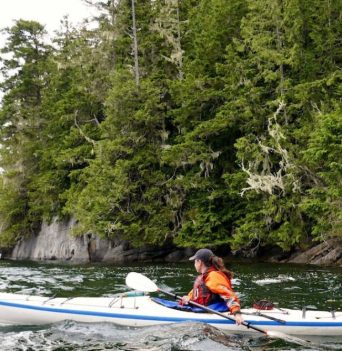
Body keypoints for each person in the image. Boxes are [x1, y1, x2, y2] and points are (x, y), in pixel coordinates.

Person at [181, 248, 244, 325]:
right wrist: (188, 298)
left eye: (195, 261)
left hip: (215, 311)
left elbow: (229, 296)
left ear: (199, 262)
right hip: (204, 309)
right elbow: (195, 293)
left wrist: (237, 313)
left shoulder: (213, 276)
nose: (194, 264)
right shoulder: (204, 276)